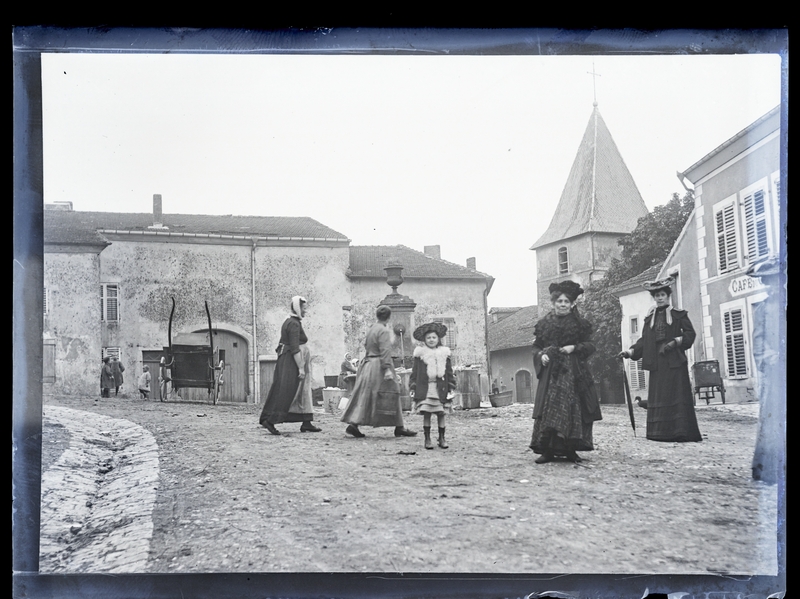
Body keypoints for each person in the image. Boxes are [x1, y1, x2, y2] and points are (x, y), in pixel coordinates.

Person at [618, 276, 702, 443]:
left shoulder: (679, 315)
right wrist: (629, 352)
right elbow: (644, 341)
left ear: (668, 296)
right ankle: (660, 433)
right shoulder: (649, 319)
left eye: (663, 294)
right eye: (657, 295)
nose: (660, 298)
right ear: (654, 298)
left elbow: (690, 334)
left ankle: (681, 432)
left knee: (675, 395)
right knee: (660, 396)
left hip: (674, 362)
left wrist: (675, 342)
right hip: (657, 362)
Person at [530, 281, 602, 463]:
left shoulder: (580, 324)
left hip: (574, 373)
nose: (562, 304)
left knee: (573, 408)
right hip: (550, 374)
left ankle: (571, 450)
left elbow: (591, 345)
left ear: (571, 304)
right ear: (553, 303)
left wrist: (574, 348)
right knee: (549, 409)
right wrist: (541, 356)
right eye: (559, 301)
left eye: (566, 302)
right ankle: (547, 451)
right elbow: (536, 347)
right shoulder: (544, 324)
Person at [341, 305, 417, 438]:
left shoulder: (372, 329)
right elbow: (385, 350)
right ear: (388, 317)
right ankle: (399, 426)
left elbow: (366, 346)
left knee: (366, 394)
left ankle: (354, 425)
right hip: (380, 365)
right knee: (392, 392)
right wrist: (387, 369)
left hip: (368, 365)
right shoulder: (383, 330)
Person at [259, 296, 321, 435]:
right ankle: (270, 420)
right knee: (287, 391)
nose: (306, 311)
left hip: (288, 359)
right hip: (291, 361)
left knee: (302, 391)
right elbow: (294, 347)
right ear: (298, 309)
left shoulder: (290, 321)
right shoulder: (293, 324)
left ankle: (306, 421)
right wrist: (300, 366)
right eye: (304, 309)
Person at [409, 322, 457, 450]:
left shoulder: (444, 354)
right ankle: (427, 439)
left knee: (441, 413)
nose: (431, 340)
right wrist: (413, 386)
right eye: (428, 338)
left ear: (438, 339)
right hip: (426, 389)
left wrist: (451, 386)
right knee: (427, 413)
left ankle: (442, 438)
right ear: (424, 340)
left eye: (434, 337)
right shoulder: (420, 355)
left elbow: (449, 372)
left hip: (440, 388)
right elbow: (414, 373)